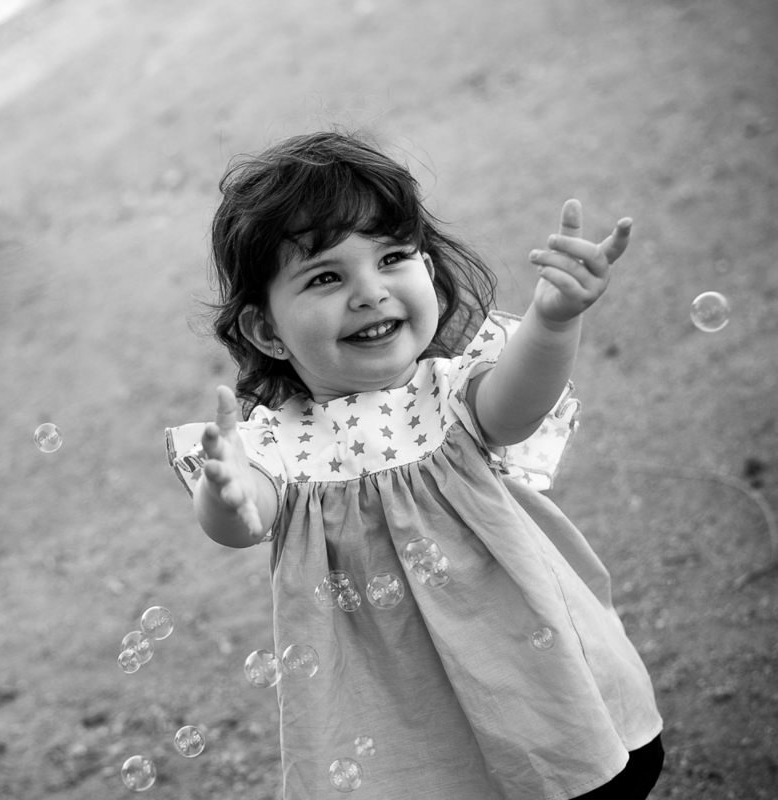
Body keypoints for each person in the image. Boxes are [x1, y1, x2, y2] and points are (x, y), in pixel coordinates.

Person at [164, 131, 664, 799]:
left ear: (427, 268)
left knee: (578, 770)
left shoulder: (450, 391)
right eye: (325, 277)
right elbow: (246, 516)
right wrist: (226, 493)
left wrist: (553, 319)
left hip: (530, 660)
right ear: (266, 331)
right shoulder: (280, 443)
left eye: (393, 256)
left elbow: (516, 406)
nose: (370, 292)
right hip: (397, 700)